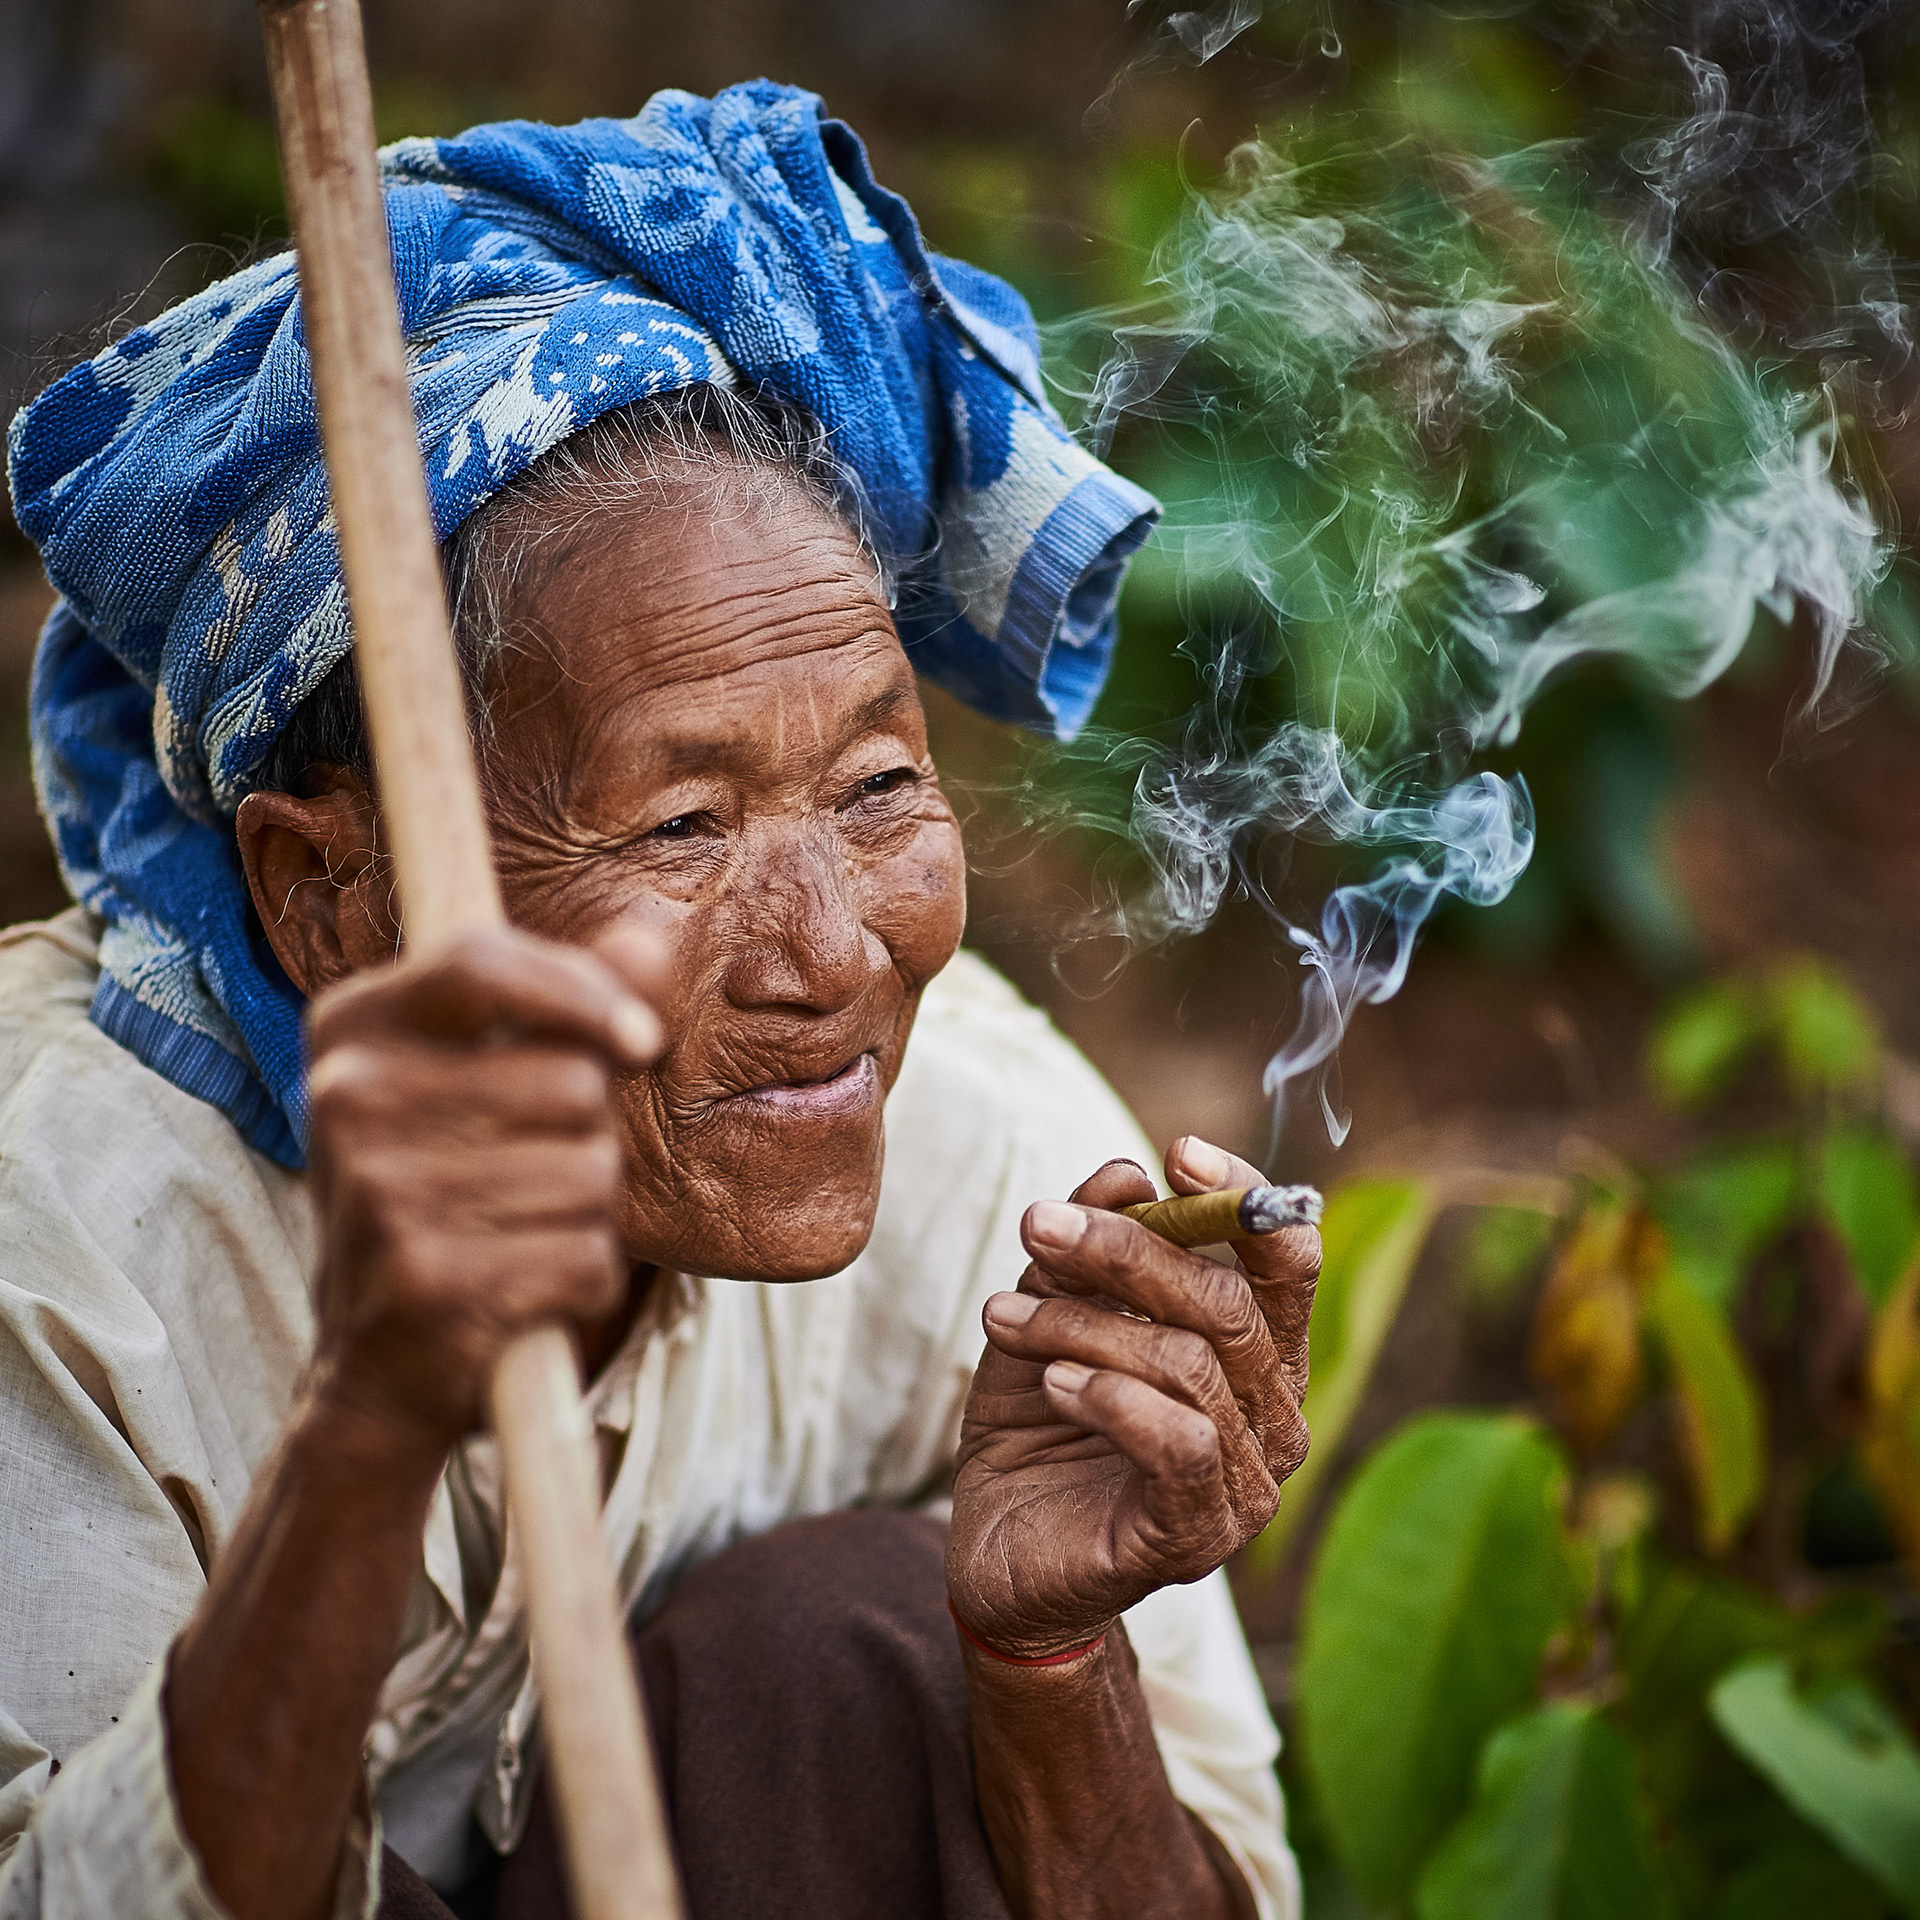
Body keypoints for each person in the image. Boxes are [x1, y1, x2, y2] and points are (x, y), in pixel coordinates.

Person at [0, 83, 1317, 1920]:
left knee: (846, 1646)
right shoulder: (63, 1234)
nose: (831, 956)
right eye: (682, 823)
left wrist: (1046, 1669)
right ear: (329, 895)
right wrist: (373, 1420)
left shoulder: (991, 1170)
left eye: (877, 792)